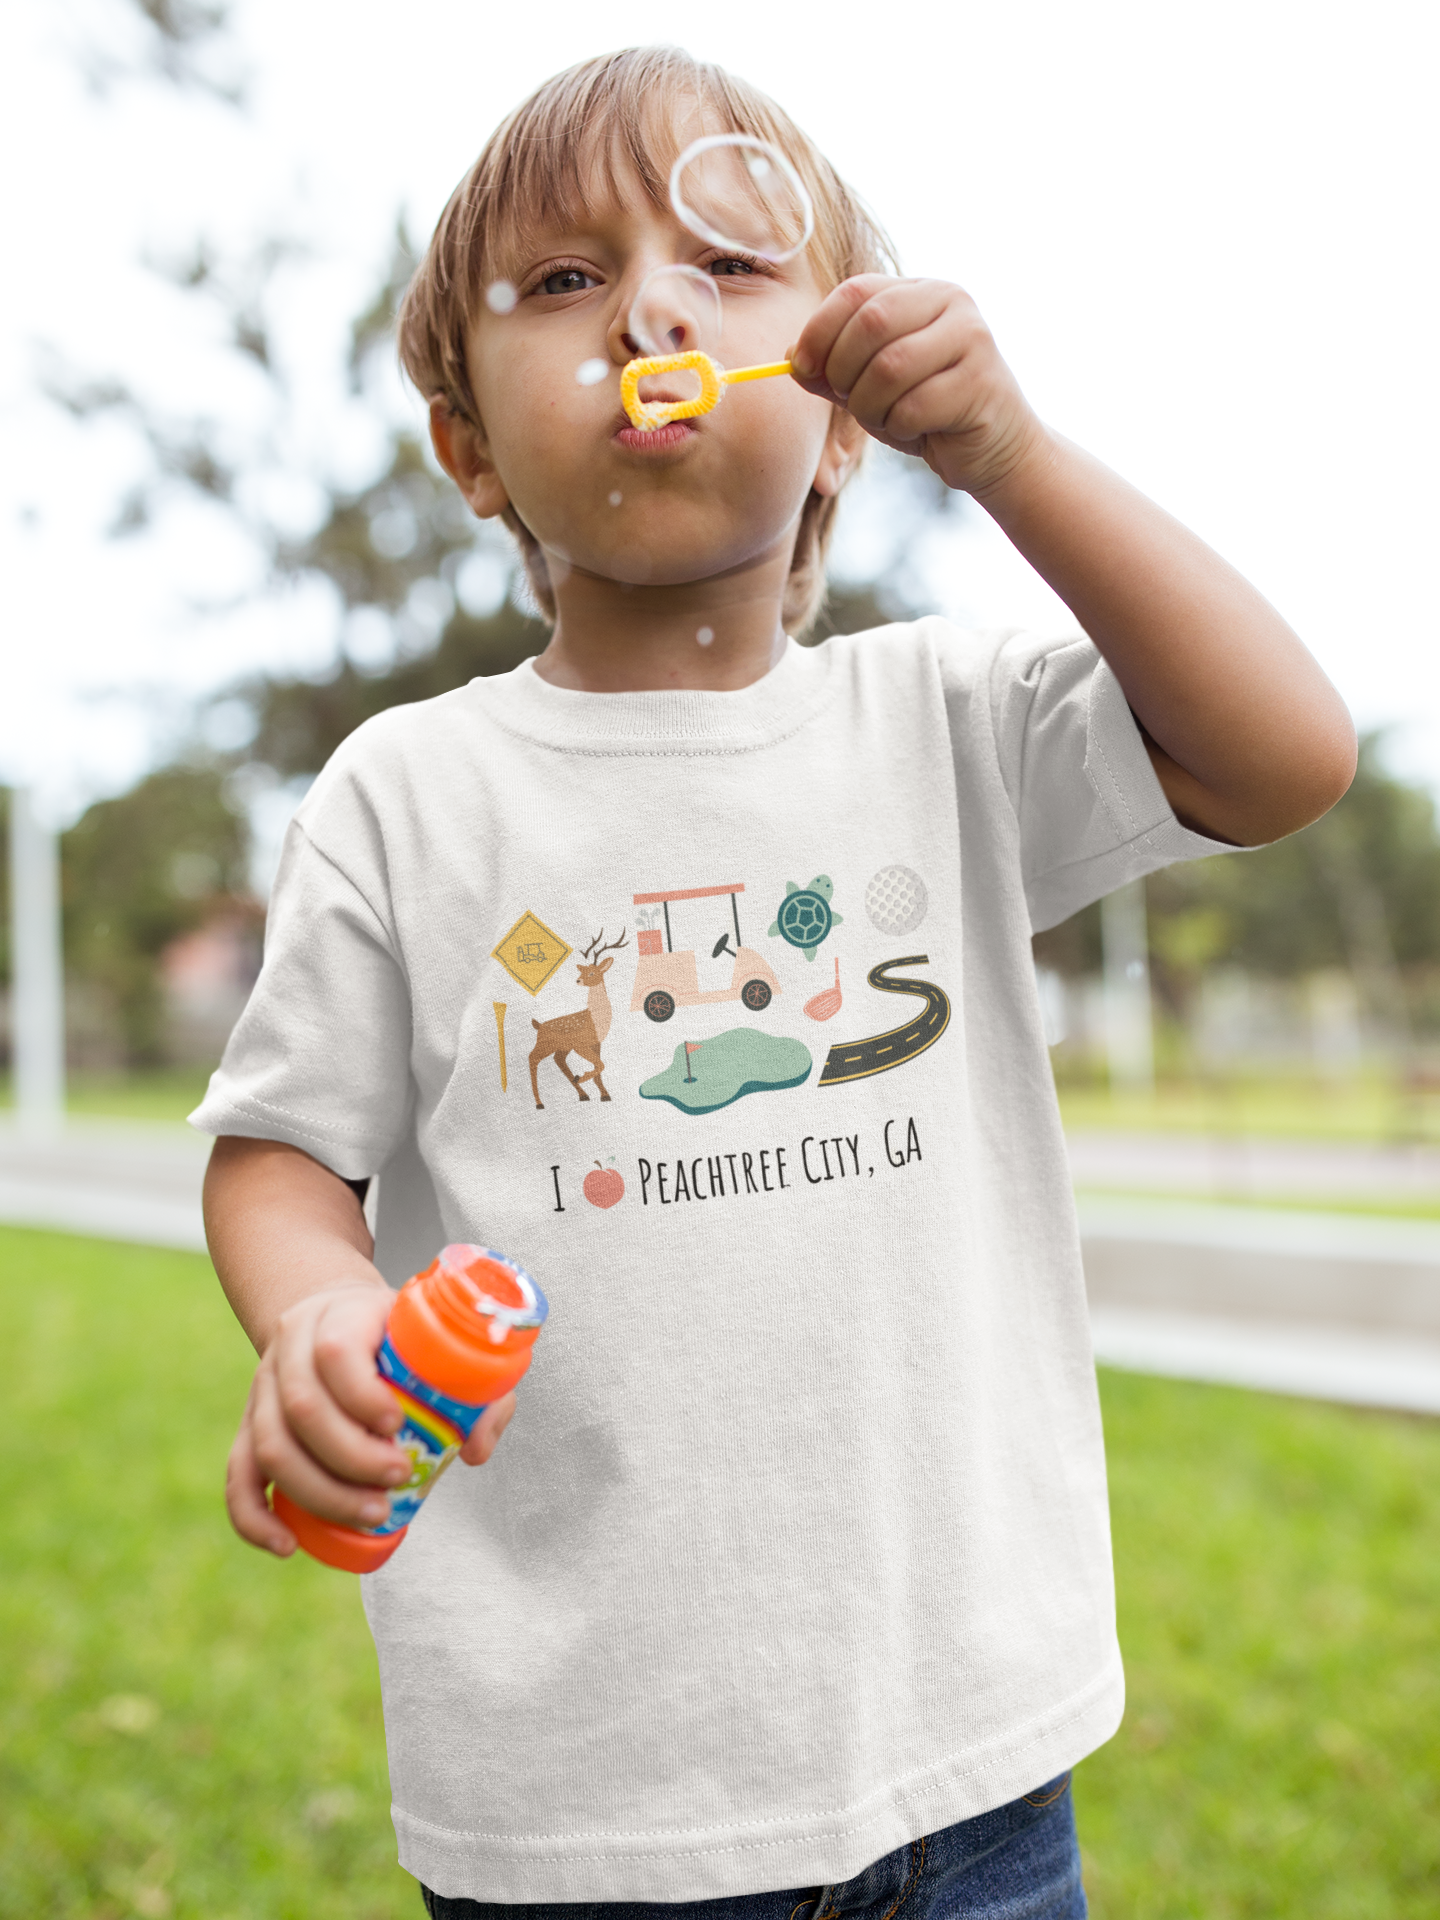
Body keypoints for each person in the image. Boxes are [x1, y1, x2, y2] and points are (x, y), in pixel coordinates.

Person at [193, 45, 1356, 1920]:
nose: (651, 304)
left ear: (837, 411)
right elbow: (279, 1154)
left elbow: (1282, 757)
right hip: (577, 1807)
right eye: (566, 282)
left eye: (729, 265)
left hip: (971, 1768)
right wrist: (319, 1314)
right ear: (470, 445)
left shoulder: (950, 720)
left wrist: (1019, 459)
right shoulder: (411, 796)